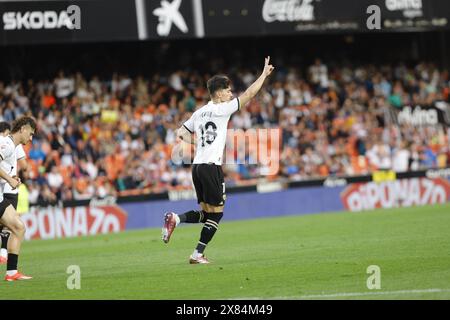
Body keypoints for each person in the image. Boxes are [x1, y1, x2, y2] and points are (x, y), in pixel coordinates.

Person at [161, 57, 275, 264]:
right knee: (216, 215)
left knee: (206, 215)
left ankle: (176, 219)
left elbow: (180, 132)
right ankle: (197, 254)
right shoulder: (223, 109)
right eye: (229, 90)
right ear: (220, 93)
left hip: (197, 167)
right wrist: (263, 75)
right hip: (211, 166)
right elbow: (249, 94)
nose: (231, 93)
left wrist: (198, 144)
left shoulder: (200, 112)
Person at [0, 116, 36, 281]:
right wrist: (9, 179)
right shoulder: (7, 144)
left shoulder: (12, 146)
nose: (31, 138)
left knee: (18, 227)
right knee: (17, 227)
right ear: (22, 129)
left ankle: (12, 273)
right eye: (30, 133)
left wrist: (11, 178)